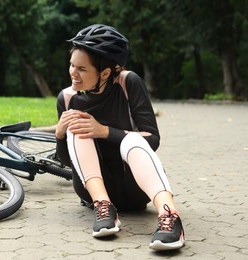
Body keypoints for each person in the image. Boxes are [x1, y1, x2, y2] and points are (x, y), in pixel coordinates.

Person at [55, 24, 185, 251]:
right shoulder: (67, 98)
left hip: (134, 189)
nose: (73, 73)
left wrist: (104, 131)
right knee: (78, 127)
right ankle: (104, 207)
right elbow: (67, 163)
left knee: (133, 140)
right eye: (72, 65)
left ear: (105, 72)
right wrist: (59, 135)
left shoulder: (128, 83)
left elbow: (152, 138)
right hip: (92, 194)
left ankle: (170, 218)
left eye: (82, 69)